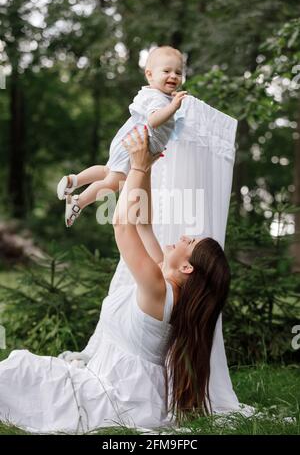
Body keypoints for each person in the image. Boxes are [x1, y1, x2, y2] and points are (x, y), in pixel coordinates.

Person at [0, 126, 231, 434]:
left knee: (18, 371)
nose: (184, 236)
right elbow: (142, 221)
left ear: (187, 269)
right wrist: (146, 167)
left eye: (189, 243)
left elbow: (123, 226)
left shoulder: (158, 291)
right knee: (19, 369)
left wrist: (134, 166)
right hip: (117, 383)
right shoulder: (164, 278)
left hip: (117, 395)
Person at [57, 45, 187, 227]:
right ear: (150, 75)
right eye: (167, 71)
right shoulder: (158, 99)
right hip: (134, 144)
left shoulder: (158, 96)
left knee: (107, 171)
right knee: (113, 181)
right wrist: (173, 107)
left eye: (178, 73)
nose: (173, 76)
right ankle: (79, 201)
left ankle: (74, 180)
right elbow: (153, 120)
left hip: (128, 140)